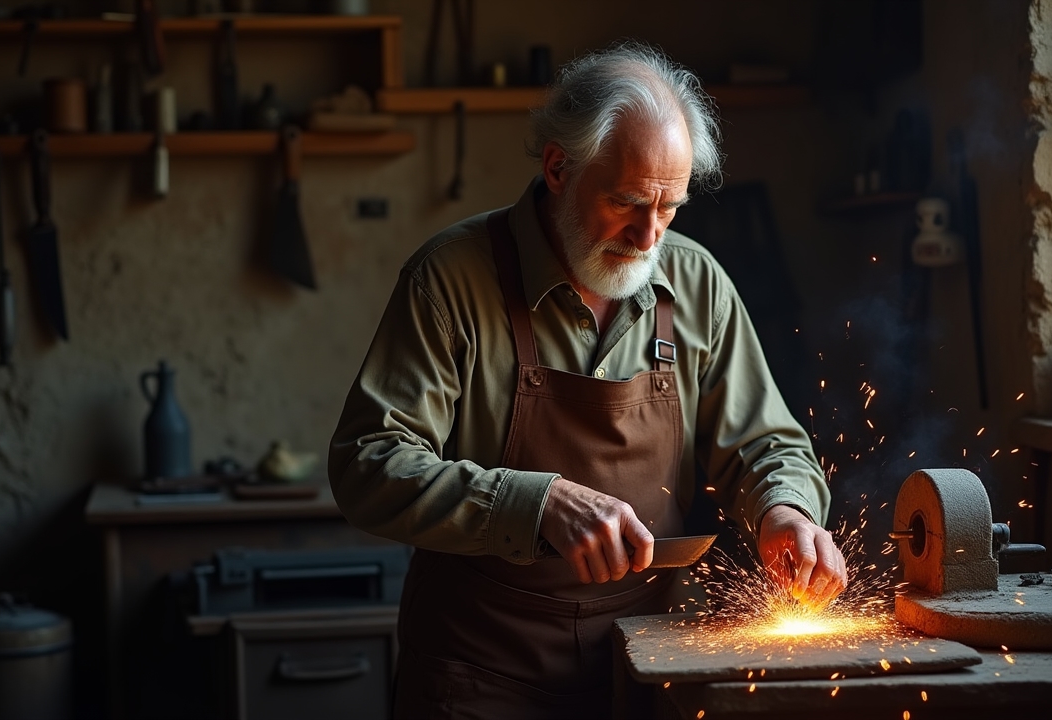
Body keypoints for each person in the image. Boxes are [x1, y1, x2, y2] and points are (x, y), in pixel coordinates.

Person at [329, 41, 847, 719]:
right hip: (479, 670)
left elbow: (765, 445)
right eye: (628, 203)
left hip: (649, 659)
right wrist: (533, 504)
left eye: (670, 208)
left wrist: (786, 508)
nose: (649, 236)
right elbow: (370, 466)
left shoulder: (696, 284)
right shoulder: (450, 280)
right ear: (557, 168)